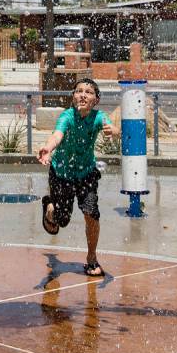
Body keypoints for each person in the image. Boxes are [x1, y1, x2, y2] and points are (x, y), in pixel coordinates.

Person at [38, 78, 119, 278]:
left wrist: (114, 131)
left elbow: (112, 128)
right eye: (79, 91)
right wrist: (47, 149)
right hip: (61, 173)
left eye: (89, 92)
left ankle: (91, 258)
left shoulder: (99, 117)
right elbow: (57, 135)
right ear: (73, 96)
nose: (83, 94)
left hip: (86, 174)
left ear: (96, 99)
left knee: (91, 212)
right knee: (61, 221)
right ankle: (49, 207)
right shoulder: (67, 116)